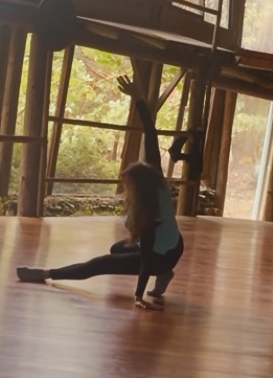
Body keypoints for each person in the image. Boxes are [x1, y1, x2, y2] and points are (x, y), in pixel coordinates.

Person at [16, 75, 184, 310]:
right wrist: (138, 99)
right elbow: (151, 134)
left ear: (139, 188)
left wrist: (138, 297)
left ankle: (44, 273)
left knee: (98, 264)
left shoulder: (150, 215)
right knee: (116, 249)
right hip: (173, 244)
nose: (126, 189)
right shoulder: (157, 181)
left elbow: (147, 259)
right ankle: (164, 271)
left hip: (161, 257)